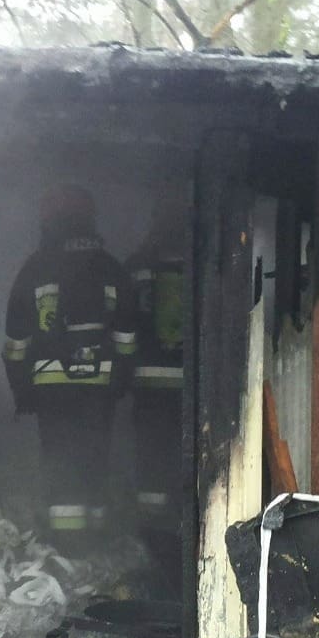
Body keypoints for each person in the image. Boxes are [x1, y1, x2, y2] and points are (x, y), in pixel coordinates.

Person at [3, 185, 136, 551]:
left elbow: (16, 341)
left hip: (52, 390)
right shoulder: (110, 268)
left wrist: (21, 389)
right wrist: (120, 379)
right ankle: (96, 543)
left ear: (48, 221)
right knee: (95, 457)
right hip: (99, 388)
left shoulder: (34, 269)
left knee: (60, 461)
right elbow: (127, 335)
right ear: (89, 219)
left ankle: (67, 544)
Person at [125, 195, 185, 553]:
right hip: (187, 380)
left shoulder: (138, 264)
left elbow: (122, 320)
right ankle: (185, 522)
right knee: (185, 450)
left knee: (151, 454)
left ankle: (151, 531)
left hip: (147, 380)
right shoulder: (198, 259)